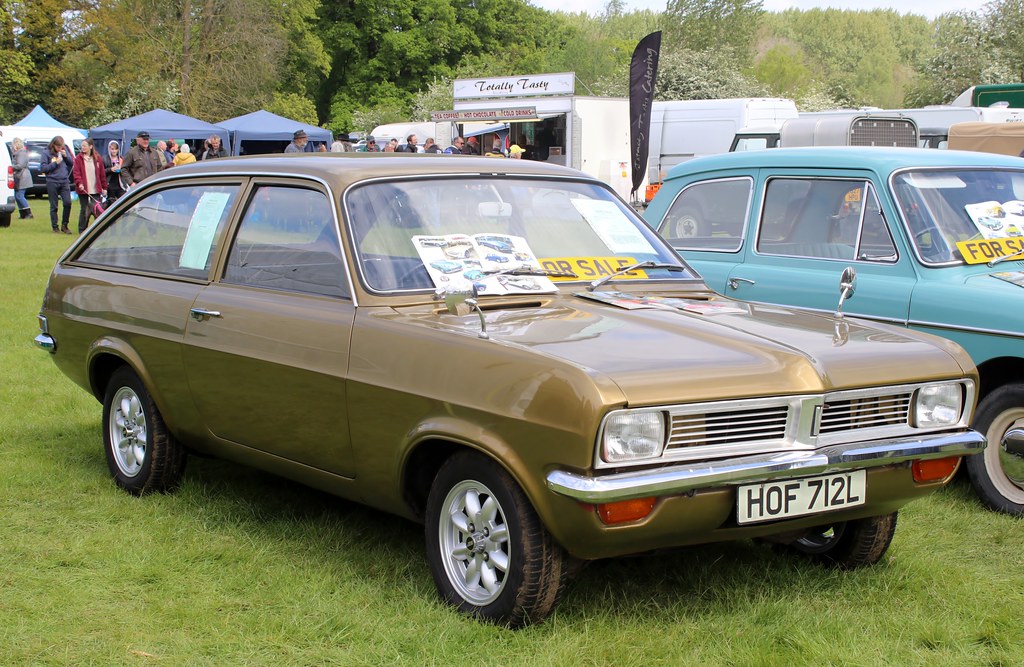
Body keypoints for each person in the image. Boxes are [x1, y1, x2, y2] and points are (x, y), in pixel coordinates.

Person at [72, 138, 108, 234]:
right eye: (82, 146)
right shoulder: (78, 159)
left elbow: (102, 174)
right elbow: (76, 173)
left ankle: (97, 230)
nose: (82, 147)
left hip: (95, 189)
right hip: (83, 189)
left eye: (84, 146)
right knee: (84, 209)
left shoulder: (98, 158)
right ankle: (82, 230)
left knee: (97, 209)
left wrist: (104, 188)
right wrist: (79, 183)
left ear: (91, 147)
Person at [40, 136, 75, 233]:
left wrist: (66, 156)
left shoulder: (65, 149)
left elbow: (71, 163)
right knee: (54, 205)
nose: (60, 149)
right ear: (53, 145)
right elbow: (43, 168)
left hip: (64, 181)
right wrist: (55, 163)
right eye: (58, 147)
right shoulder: (46, 153)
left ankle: (65, 225)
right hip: (52, 181)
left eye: (61, 147)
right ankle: (55, 226)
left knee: (68, 203)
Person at [11, 137, 33, 219]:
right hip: (19, 176)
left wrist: (10, 167)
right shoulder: (18, 153)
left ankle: (28, 213)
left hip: (23, 177)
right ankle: (23, 213)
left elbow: (20, 165)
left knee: (19, 195)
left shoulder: (21, 153)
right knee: (17, 196)